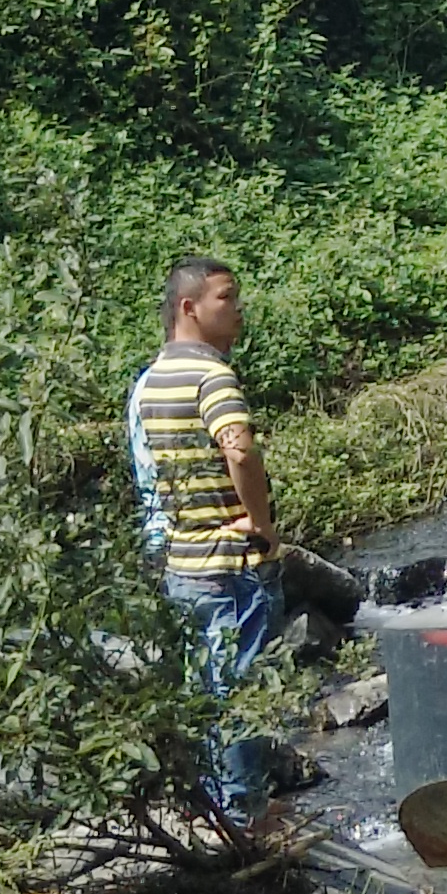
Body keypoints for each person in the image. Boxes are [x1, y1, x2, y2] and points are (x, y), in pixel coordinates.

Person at [127, 257, 303, 826]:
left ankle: (214, 806)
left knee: (205, 687)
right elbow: (240, 449)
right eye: (226, 298)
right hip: (230, 565)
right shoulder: (212, 377)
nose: (238, 308)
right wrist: (261, 522)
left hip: (183, 565)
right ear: (189, 308)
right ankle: (243, 814)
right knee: (241, 693)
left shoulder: (150, 380)